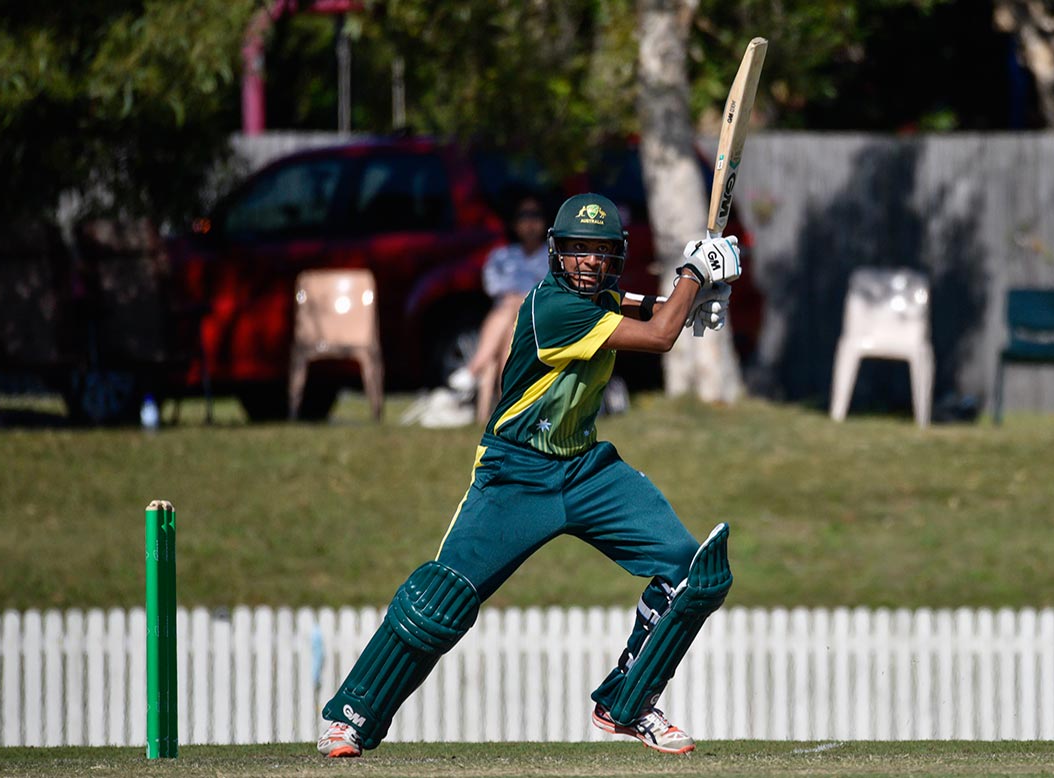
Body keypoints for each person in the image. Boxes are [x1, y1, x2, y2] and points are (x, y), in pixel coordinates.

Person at [316, 193, 740, 758]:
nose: (589, 262)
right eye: (578, 251)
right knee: (439, 602)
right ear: (556, 254)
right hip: (516, 472)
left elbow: (649, 309)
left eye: (600, 252)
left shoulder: (603, 299)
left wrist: (695, 296)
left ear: (615, 256)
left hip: (586, 469)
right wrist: (694, 272)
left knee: (693, 572)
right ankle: (352, 718)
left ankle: (630, 702)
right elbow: (660, 334)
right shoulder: (553, 309)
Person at [448, 195, 550, 423]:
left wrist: (521, 297)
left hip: (536, 318)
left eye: (535, 216)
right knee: (509, 320)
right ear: (515, 223)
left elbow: (548, 292)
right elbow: (491, 285)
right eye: (524, 216)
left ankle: (474, 369)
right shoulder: (502, 255)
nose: (530, 222)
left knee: (512, 309)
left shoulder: (551, 258)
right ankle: (507, 403)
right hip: (510, 317)